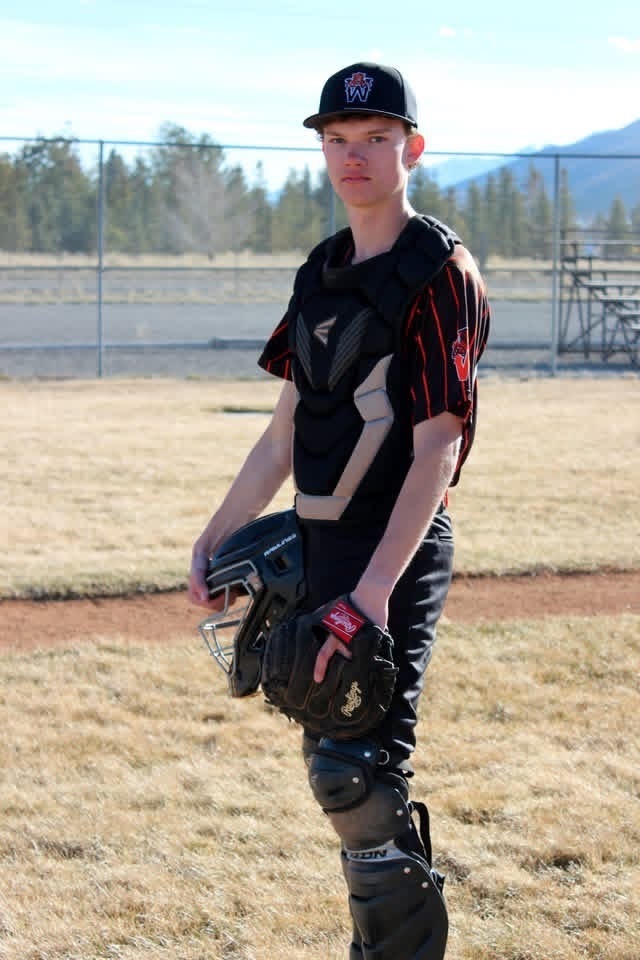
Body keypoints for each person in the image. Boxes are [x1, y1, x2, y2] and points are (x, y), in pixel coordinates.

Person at [189, 61, 490, 959]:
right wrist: (215, 532)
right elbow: (285, 432)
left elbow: (438, 446)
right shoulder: (320, 273)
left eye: (376, 139)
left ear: (413, 150)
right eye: (337, 140)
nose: (353, 156)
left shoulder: (440, 272)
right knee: (334, 763)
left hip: (393, 548)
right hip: (319, 542)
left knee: (356, 769)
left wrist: (372, 594)